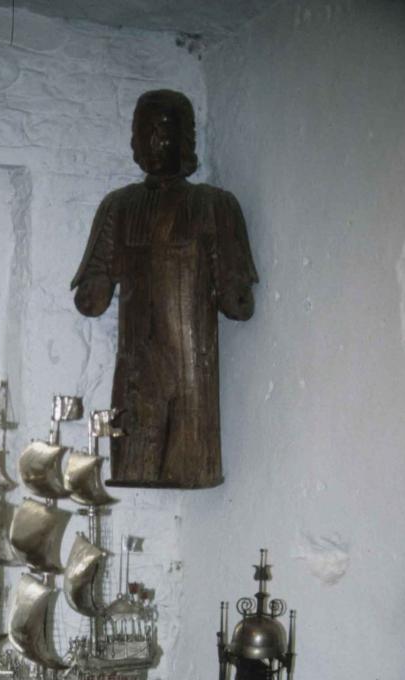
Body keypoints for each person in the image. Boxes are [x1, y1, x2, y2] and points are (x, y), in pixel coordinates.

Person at [71, 90, 258, 488]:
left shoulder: (213, 205)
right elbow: (91, 300)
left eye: (165, 132)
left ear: (185, 140)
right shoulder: (118, 207)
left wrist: (221, 262)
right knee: (134, 463)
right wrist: (100, 275)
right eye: (145, 132)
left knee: (191, 464)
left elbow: (238, 304)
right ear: (134, 140)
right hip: (138, 367)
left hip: (191, 364)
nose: (154, 142)